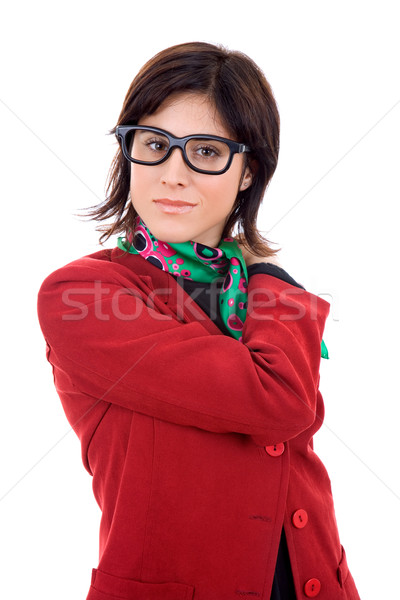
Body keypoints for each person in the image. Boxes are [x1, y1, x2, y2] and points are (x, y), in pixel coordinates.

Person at [37, 42, 360, 600]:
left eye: (206, 152)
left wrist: (263, 281)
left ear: (246, 171)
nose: (173, 175)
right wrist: (274, 280)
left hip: (316, 580)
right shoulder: (84, 295)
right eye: (155, 145)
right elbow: (279, 399)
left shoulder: (253, 293)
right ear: (128, 151)